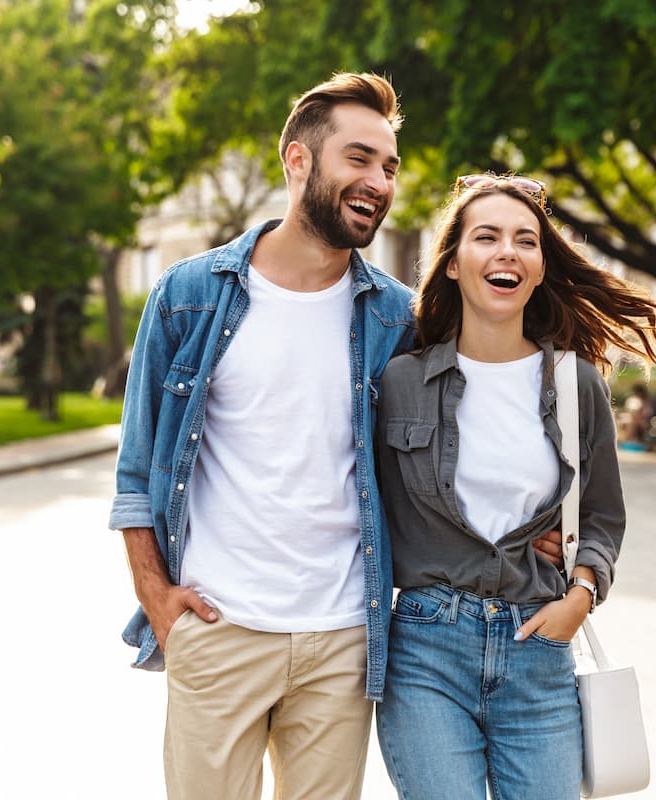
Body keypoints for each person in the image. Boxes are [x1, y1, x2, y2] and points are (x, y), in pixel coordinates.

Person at [106, 73, 562, 800]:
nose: (378, 181)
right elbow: (136, 474)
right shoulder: (188, 296)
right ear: (297, 161)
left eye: (389, 166)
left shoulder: (396, 318)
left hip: (345, 640)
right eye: (359, 158)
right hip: (220, 627)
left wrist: (542, 523)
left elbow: (474, 431)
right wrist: (158, 598)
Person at [373, 174, 656, 799]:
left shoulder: (576, 384)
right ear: (453, 262)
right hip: (429, 650)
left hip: (538, 648)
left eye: (525, 241)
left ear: (539, 268)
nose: (507, 251)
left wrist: (582, 592)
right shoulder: (400, 381)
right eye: (486, 237)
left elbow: (602, 517)